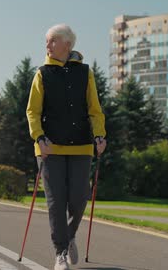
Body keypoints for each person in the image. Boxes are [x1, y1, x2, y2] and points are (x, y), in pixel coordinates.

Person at [26, 24, 107, 270]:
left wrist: (100, 135)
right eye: (47, 41)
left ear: (67, 45)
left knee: (79, 198)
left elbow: (94, 109)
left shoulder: (85, 73)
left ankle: (69, 235)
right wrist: (39, 137)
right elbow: (32, 111)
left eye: (52, 41)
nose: (47, 46)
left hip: (82, 146)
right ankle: (60, 251)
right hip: (50, 147)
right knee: (55, 202)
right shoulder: (42, 73)